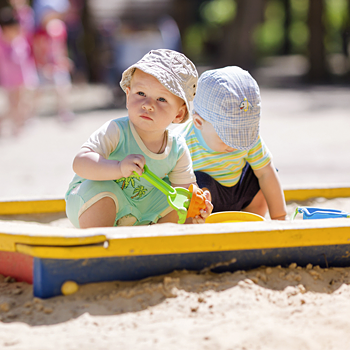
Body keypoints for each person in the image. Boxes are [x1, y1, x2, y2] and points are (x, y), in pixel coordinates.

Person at [65, 49, 213, 228]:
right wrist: (118, 168)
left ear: (179, 113)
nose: (148, 105)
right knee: (103, 190)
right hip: (89, 202)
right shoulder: (117, 131)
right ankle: (101, 243)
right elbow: (80, 163)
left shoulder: (177, 148)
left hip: (141, 211)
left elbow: (184, 190)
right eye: (141, 94)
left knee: (182, 205)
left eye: (161, 99)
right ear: (128, 96)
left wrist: (198, 203)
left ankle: (158, 243)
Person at [180, 66, 287, 220]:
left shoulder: (250, 140)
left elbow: (266, 173)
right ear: (198, 122)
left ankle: (251, 217)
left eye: (242, 134)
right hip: (209, 206)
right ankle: (199, 221)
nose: (236, 144)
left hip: (241, 196)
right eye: (228, 136)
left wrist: (280, 217)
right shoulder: (183, 143)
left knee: (264, 176)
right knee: (195, 183)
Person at [0, 6, 38, 136]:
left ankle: (17, 125)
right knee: (12, 105)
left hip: (23, 78)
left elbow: (26, 19)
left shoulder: (20, 40)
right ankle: (14, 126)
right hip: (9, 80)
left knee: (23, 103)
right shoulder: (2, 42)